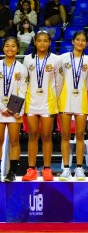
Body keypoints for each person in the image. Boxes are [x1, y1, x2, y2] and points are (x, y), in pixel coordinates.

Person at [22, 31, 63, 181]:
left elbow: (59, 83)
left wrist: (54, 99)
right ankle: (31, 169)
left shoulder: (55, 59)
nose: (42, 43)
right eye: (39, 41)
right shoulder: (27, 59)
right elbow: (24, 82)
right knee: (32, 135)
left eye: (45, 41)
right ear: (34, 42)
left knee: (46, 136)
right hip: (31, 102)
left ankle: (47, 169)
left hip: (48, 102)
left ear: (50, 43)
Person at [58, 31, 88, 181]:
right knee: (65, 135)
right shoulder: (62, 59)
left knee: (80, 136)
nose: (80, 42)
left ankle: (79, 168)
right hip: (65, 100)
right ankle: (66, 168)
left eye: (83, 40)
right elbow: (58, 81)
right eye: (77, 40)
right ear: (72, 41)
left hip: (81, 101)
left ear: (86, 43)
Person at [0, 37, 28, 182]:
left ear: (18, 48)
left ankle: (12, 172)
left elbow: (23, 91)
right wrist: (2, 107)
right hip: (0, 109)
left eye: (13, 46)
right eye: (7, 46)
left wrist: (19, 111)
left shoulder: (21, 68)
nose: (10, 48)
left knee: (14, 140)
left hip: (14, 111)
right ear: (3, 48)